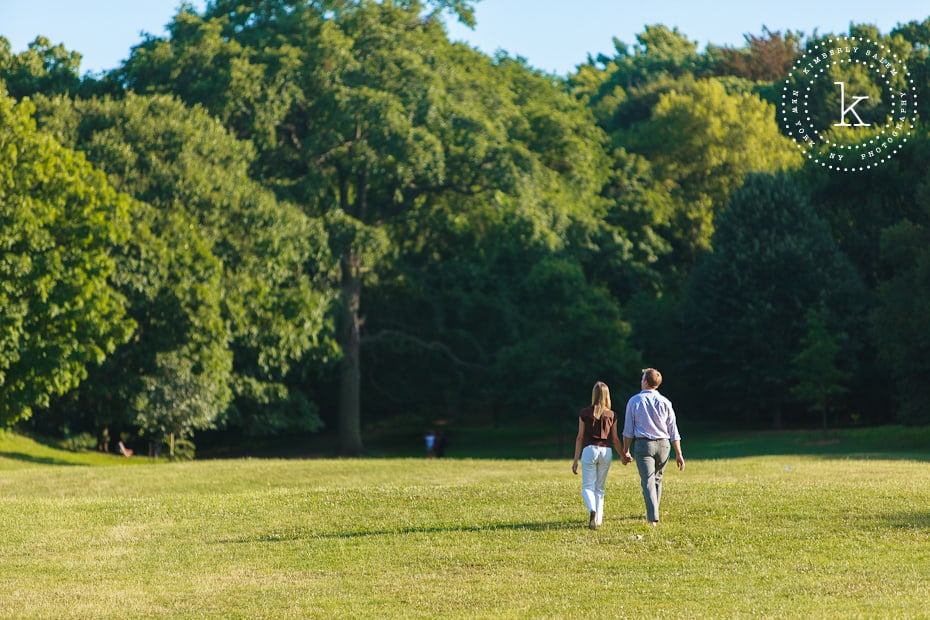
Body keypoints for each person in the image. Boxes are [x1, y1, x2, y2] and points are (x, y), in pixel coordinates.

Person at [620, 368, 684, 526]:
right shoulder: (666, 402)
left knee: (647, 480)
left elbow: (628, 430)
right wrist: (678, 453)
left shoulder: (635, 401)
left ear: (646, 382)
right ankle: (653, 510)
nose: (641, 381)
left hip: (644, 444)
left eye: (642, 378)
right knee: (657, 479)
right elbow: (673, 429)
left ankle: (652, 518)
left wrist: (626, 450)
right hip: (664, 444)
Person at [572, 381, 623, 530]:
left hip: (589, 450)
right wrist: (623, 455)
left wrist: (575, 460)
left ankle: (592, 510)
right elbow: (614, 439)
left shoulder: (584, 413)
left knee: (587, 487)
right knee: (600, 488)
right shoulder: (612, 415)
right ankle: (598, 520)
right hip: (605, 451)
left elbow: (580, 437)